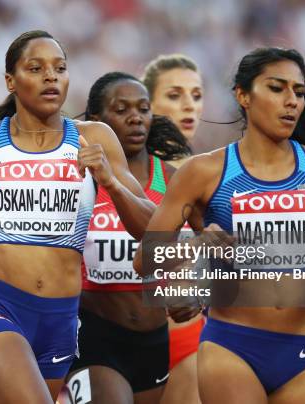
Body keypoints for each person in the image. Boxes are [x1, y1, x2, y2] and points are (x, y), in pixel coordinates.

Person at [0, 30, 155, 404]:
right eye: (36, 68)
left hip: (60, 321)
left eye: (60, 68)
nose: (51, 77)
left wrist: (111, 183)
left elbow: (152, 227)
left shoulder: (94, 139)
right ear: (10, 81)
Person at [134, 47, 305, 403]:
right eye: (277, 88)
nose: (291, 101)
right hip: (233, 346)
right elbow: (145, 261)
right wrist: (198, 246)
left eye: (298, 91)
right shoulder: (203, 172)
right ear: (243, 95)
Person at [65, 72, 190, 404]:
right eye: (121, 109)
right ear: (97, 120)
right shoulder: (78, 178)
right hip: (93, 337)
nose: (136, 117)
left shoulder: (174, 180)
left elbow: (204, 248)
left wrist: (195, 291)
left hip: (154, 339)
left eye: (144, 108)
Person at [142, 53, 205, 404]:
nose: (188, 106)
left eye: (196, 96)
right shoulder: (121, 174)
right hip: (115, 339)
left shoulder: (211, 176)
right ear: (145, 102)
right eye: (175, 94)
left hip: (188, 339)